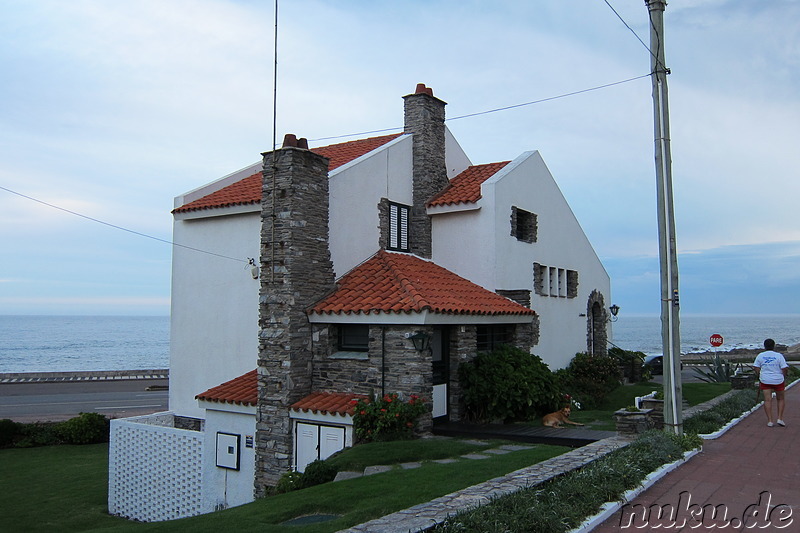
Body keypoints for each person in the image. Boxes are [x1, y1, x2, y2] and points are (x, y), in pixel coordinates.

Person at [753, 338, 789, 427]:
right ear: (774, 345)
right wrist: (783, 376)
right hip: (778, 380)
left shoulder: (760, 355)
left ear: (764, 346)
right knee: (780, 399)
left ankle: (770, 420)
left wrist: (760, 374)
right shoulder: (779, 356)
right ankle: (780, 418)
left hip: (765, 380)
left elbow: (756, 367)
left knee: (767, 400)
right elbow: (784, 368)